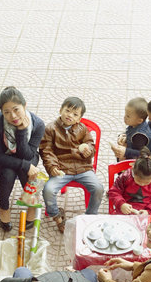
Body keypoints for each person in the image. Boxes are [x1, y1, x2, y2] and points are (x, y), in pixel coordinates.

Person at [39, 97, 104, 233]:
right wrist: (53, 167)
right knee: (48, 190)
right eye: (67, 111)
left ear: (79, 119)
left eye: (75, 114)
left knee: (98, 188)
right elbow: (46, 150)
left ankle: (90, 217)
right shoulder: (50, 129)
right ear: (60, 110)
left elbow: (91, 145)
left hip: (83, 168)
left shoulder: (83, 129)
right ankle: (57, 216)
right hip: (62, 168)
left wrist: (88, 152)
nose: (70, 115)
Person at [0, 86, 46, 231]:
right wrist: (25, 165)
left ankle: (31, 204)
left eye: (16, 109)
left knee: (27, 172)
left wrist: (21, 131)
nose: (12, 116)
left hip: (27, 154)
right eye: (6, 112)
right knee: (8, 172)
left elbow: (27, 155)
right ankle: (4, 208)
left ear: (24, 106)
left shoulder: (37, 124)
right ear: (2, 113)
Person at [108, 147, 151, 215]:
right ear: (133, 169)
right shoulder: (125, 177)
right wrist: (121, 204)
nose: (142, 184)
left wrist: (149, 211)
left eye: (147, 182)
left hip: (146, 211)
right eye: (138, 181)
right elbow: (114, 191)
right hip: (124, 209)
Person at [110, 97, 151, 162]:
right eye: (125, 114)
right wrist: (123, 136)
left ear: (139, 121)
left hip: (143, 161)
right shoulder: (136, 125)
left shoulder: (139, 136)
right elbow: (128, 132)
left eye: (128, 116)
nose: (124, 117)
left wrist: (125, 152)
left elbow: (139, 154)